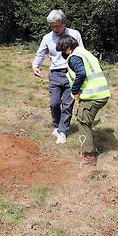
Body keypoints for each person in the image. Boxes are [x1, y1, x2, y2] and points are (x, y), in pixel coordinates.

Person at [55, 36, 110, 165]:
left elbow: (81, 73)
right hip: (101, 93)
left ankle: (89, 156)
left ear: (68, 49)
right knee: (86, 120)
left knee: (83, 121)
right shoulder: (85, 53)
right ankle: (88, 147)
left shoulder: (74, 57)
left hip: (93, 96)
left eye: (63, 51)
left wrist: (74, 90)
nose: (62, 54)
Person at [32, 10, 84, 144]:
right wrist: (35, 66)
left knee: (67, 104)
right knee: (54, 103)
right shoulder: (47, 38)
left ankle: (62, 131)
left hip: (71, 74)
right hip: (55, 74)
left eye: (57, 26)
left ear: (64, 23)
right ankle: (56, 125)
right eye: (52, 26)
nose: (54, 29)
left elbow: (82, 52)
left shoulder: (74, 34)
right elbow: (40, 53)